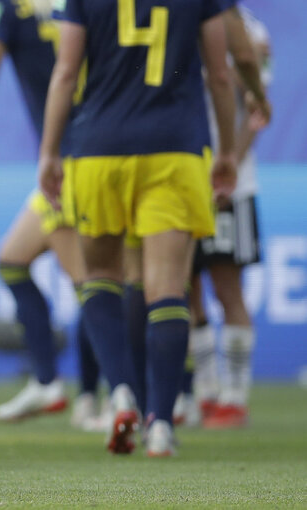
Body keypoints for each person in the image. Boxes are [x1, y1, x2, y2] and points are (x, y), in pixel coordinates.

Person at [39, 0, 236, 456]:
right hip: (175, 149)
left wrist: (50, 152)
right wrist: (226, 150)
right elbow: (221, 73)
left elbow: (66, 73)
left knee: (100, 277)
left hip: (99, 148)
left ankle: (122, 390)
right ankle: (162, 424)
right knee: (167, 287)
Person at [0, 0, 91, 423]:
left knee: (95, 286)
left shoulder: (11, 8)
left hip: (68, 162)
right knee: (14, 260)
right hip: (104, 145)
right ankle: (53, 383)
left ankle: (109, 398)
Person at [185, 5, 270, 430]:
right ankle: (206, 390)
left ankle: (235, 395)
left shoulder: (251, 30)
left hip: (229, 184)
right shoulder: (182, 14)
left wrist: (229, 163)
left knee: (226, 287)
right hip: (180, 176)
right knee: (186, 289)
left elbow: (255, 110)